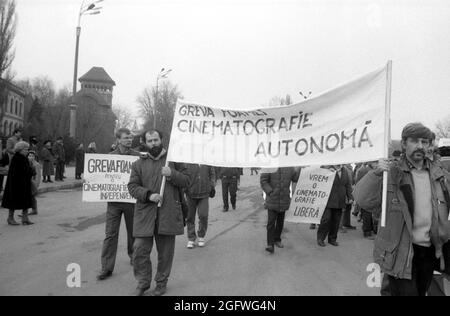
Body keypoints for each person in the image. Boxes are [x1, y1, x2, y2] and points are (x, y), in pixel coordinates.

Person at [354, 122, 450, 296]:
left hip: (429, 251)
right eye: (414, 141)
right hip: (401, 251)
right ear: (404, 144)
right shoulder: (391, 172)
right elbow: (363, 199)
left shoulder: (440, 175)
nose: (420, 146)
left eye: (424, 141)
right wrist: (376, 173)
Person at [128, 129, 190, 296]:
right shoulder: (138, 164)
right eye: (150, 141)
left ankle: (161, 283)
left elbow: (187, 180)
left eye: (156, 139)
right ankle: (143, 282)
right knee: (139, 249)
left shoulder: (173, 160)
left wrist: (172, 174)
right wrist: (149, 195)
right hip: (145, 214)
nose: (154, 143)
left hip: (168, 213)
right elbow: (132, 187)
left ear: (161, 140)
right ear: (144, 142)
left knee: (165, 253)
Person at [97, 128, 141, 281]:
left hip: (131, 201)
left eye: (130, 137)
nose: (129, 140)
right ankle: (106, 267)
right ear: (118, 140)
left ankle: (134, 257)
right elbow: (100, 176)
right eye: (126, 138)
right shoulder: (110, 157)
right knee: (110, 234)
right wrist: (89, 179)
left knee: (133, 233)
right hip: (114, 202)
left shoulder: (137, 157)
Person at [260, 167, 299, 253]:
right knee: (271, 222)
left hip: (284, 198)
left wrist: (299, 168)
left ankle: (277, 239)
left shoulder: (289, 167)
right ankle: (270, 244)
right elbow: (263, 181)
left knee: (280, 222)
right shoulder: (270, 166)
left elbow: (295, 178)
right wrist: (270, 192)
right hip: (272, 199)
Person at [317, 164, 353, 247]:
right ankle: (320, 238)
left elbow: (348, 185)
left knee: (336, 221)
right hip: (328, 199)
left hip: (340, 200)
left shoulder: (345, 171)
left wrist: (350, 197)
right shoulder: (326, 168)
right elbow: (320, 182)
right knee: (326, 219)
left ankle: (332, 239)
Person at [1, 141, 35, 226]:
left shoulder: (23, 158)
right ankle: (10, 218)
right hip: (17, 184)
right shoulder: (17, 158)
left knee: (25, 200)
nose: (27, 151)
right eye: (25, 149)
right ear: (20, 150)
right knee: (13, 201)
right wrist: (31, 169)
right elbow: (23, 171)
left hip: (23, 183)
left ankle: (25, 218)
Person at [185, 164, 216, 249]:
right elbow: (184, 174)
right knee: (190, 217)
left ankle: (201, 235)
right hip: (190, 193)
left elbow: (212, 174)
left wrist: (211, 185)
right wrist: (185, 188)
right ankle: (191, 238)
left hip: (204, 193)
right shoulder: (189, 160)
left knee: (203, 215)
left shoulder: (207, 159)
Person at [355, 161, 379, 239]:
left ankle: (370, 229)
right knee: (366, 214)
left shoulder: (373, 170)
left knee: (370, 214)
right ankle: (367, 232)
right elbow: (358, 183)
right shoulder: (363, 170)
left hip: (372, 195)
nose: (377, 164)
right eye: (375, 163)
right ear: (371, 163)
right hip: (366, 195)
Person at [340, 164, 356, 231]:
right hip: (342, 193)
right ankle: (340, 226)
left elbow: (349, 183)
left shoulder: (347, 169)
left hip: (347, 191)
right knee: (342, 210)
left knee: (346, 209)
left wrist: (351, 196)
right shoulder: (345, 169)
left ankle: (345, 224)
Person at [27, 151, 41, 216]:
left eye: (32, 156)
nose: (31, 157)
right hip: (28, 183)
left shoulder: (36, 164)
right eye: (29, 156)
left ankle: (34, 210)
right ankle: (31, 210)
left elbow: (38, 176)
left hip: (33, 183)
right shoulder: (27, 163)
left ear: (35, 157)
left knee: (32, 197)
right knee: (30, 197)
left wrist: (36, 184)